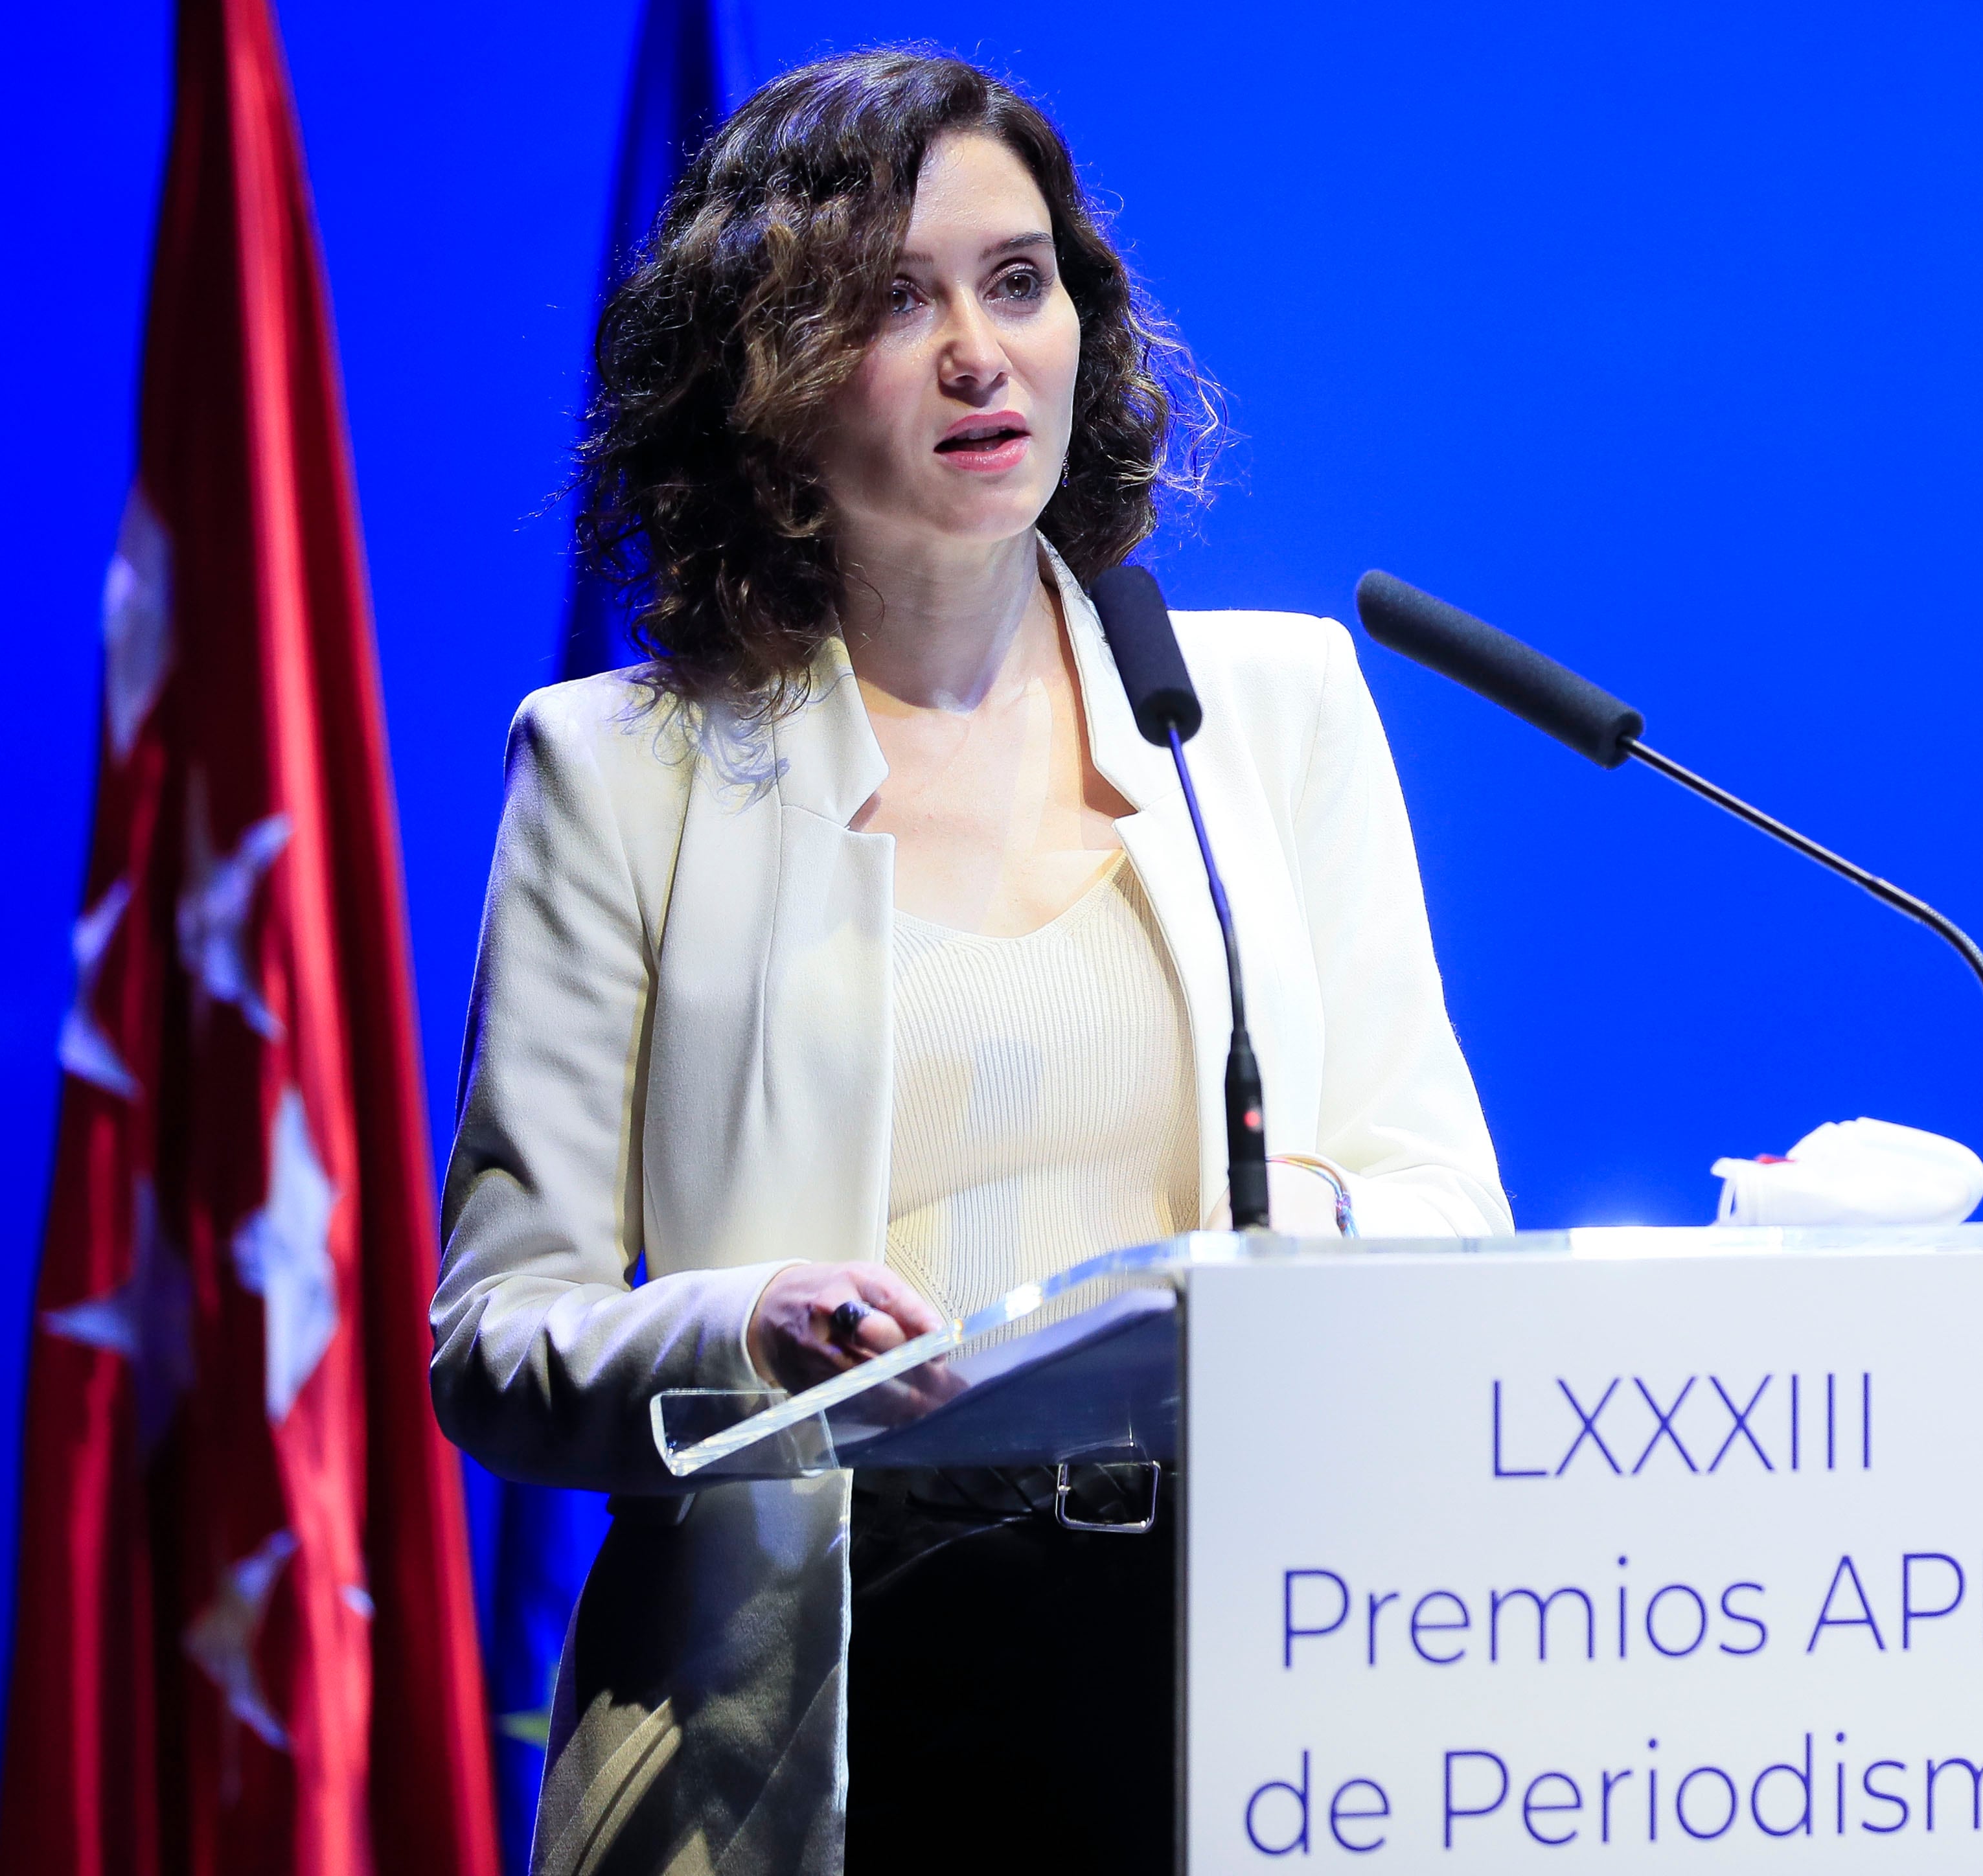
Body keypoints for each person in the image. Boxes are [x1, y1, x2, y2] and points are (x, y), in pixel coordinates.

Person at [429, 48, 1509, 1876]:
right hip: (822, 1721)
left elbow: (1445, 1207)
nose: (978, 352)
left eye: (1018, 284)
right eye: (891, 304)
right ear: (759, 380)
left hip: (1248, 1677)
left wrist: (1295, 1241)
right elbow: (496, 1343)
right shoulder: (620, 774)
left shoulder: (1262, 714)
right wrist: (749, 1329)